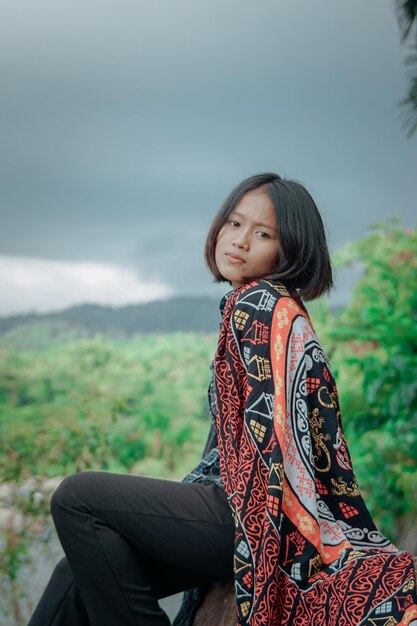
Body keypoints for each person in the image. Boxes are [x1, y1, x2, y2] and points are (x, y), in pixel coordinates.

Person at [28, 173, 417, 626]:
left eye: (264, 234)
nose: (240, 241)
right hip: (252, 509)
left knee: (76, 497)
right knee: (75, 572)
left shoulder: (257, 305)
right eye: (234, 224)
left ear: (290, 249)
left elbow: (268, 445)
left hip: (258, 512)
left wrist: (257, 533)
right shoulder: (278, 308)